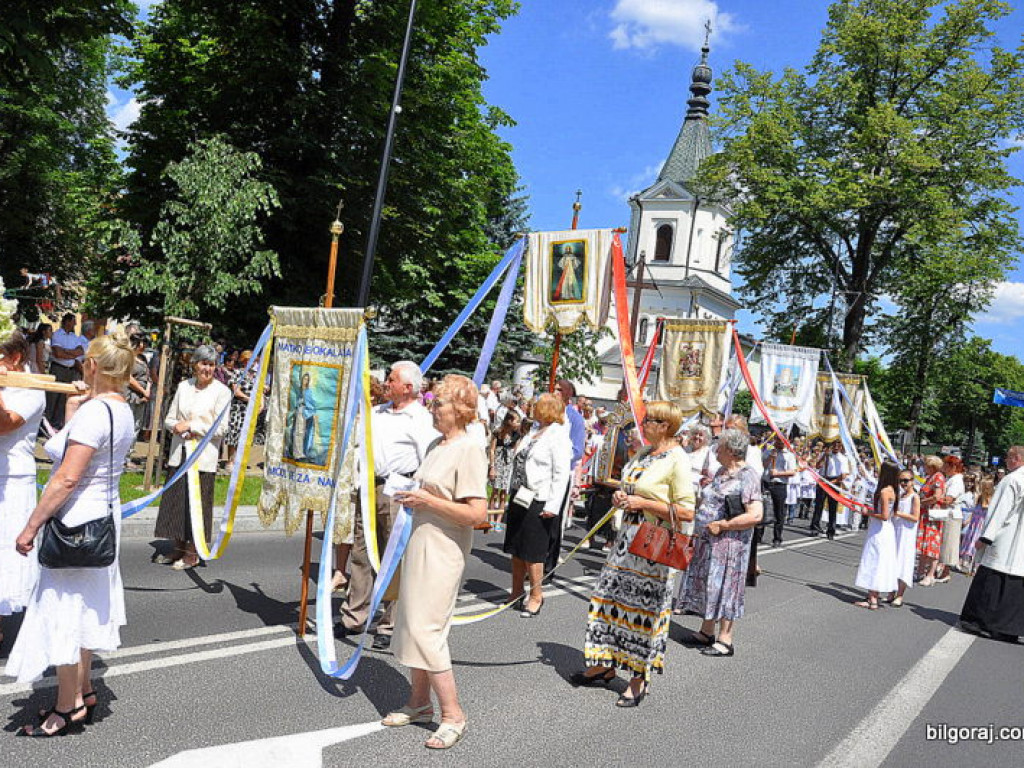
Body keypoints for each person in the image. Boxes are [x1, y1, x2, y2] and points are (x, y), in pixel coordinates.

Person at [5, 330, 135, 736]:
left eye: (84, 363)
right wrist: (75, 410)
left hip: (76, 522)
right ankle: (84, 689)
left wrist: (31, 525)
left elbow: (65, 478)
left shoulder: (97, 414)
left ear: (92, 365)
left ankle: (68, 705)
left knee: (63, 611)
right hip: (102, 520)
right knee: (83, 610)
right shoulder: (120, 409)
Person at [383, 375, 488, 750]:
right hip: (420, 539)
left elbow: (477, 512)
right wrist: (410, 494)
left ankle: (453, 715)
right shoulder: (435, 444)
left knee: (428, 630)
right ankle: (418, 703)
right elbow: (428, 490)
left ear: (459, 411)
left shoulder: (469, 448)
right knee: (411, 623)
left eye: (439, 403)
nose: (432, 408)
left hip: (444, 548)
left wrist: (428, 502)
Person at [571, 401, 694, 707]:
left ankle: (639, 678)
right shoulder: (643, 453)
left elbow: (687, 511)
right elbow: (632, 487)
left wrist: (643, 504)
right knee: (610, 603)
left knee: (644, 613)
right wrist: (621, 495)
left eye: (649, 420)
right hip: (625, 541)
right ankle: (605, 663)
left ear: (665, 425)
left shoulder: (678, 459)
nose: (643, 424)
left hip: (652, 548)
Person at [336, 361, 438, 651]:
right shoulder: (377, 413)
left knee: (393, 558)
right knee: (362, 552)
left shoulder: (419, 418)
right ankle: (354, 617)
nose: (386, 383)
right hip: (369, 487)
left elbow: (428, 459)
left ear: (408, 387)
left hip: (399, 491)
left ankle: (389, 624)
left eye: (391, 379)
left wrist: (417, 492)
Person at [681, 427, 763, 657]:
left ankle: (725, 639)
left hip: (730, 546)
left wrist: (723, 525)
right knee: (710, 584)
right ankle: (707, 631)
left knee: (728, 587)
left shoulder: (748, 476)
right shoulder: (720, 473)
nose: (715, 449)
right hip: (709, 543)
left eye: (720, 446)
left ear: (731, 450)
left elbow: (755, 515)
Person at [153, 345, 232, 570]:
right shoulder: (183, 387)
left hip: (203, 458)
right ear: (194, 365)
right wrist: (177, 426)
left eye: (211, 364)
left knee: (197, 506)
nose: (207, 368)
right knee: (176, 503)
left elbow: (221, 428)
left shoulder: (221, 391)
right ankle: (176, 548)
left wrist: (193, 426)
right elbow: (169, 418)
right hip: (180, 453)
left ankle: (192, 552)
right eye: (203, 363)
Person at [502, 393, 571, 616]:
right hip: (520, 495)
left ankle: (536, 596)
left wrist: (553, 505)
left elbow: (561, 474)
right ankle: (516, 591)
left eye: (537, 405)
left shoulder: (558, 435)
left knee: (532, 551)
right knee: (516, 547)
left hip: (539, 498)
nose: (532, 408)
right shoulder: (532, 431)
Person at [0, 331, 46, 645]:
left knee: (5, 557)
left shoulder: (33, 388)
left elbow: (5, 423)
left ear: (15, 357)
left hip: (12, 479)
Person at [959, 446, 1024, 642]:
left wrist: (985, 537)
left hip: (1005, 538)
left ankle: (979, 621)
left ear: (1017, 458)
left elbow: (1000, 511)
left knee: (991, 580)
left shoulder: (1012, 480)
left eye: (1008, 457)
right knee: (1015, 586)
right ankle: (1008, 628)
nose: (1005, 460)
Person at [853, 461, 900, 610]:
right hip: (886, 530)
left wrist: (868, 512)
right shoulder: (893, 490)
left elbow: (885, 515)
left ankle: (872, 598)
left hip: (880, 529)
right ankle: (874, 595)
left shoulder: (885, 491)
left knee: (874, 560)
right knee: (880, 561)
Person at [46, 313, 85, 429]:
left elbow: (80, 351)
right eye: (73, 321)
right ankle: (47, 423)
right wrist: (71, 353)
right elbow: (58, 353)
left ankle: (57, 424)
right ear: (67, 322)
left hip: (70, 370)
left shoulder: (75, 337)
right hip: (58, 368)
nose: (75, 324)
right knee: (53, 397)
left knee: (63, 398)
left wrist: (66, 352)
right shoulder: (57, 335)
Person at [915, 455, 947, 586]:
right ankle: (921, 571)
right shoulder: (930, 477)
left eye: (926, 466)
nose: (924, 468)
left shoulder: (938, 477)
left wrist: (921, 501)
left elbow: (936, 496)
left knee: (932, 545)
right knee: (924, 544)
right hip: (925, 514)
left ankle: (930, 574)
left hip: (932, 514)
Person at [937, 456, 968, 582]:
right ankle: (943, 570)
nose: (943, 468)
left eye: (946, 465)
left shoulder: (956, 480)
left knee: (949, 543)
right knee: (944, 542)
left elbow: (949, 499)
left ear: (953, 467)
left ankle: (946, 572)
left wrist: (935, 498)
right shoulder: (951, 479)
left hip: (952, 514)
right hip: (948, 514)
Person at [488, 410, 521, 526]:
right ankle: (491, 518)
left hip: (508, 465)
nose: (518, 423)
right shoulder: (498, 432)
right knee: (495, 492)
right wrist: (492, 467)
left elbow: (515, 451)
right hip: (498, 463)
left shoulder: (516, 435)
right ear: (509, 421)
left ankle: (498, 520)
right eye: (516, 421)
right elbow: (492, 450)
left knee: (503, 494)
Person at [811, 441, 849, 540]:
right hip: (823, 479)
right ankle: (815, 527)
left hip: (834, 481)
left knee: (833, 506)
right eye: (834, 445)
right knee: (818, 505)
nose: (836, 447)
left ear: (841, 447)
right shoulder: (825, 454)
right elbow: (818, 466)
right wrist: (824, 456)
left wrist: (832, 482)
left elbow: (843, 475)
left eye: (838, 446)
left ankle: (831, 530)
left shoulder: (843, 458)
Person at [124, 328, 151, 465]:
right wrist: (142, 390)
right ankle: (122, 456)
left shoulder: (143, 358)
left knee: (136, 427)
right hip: (130, 395)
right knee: (127, 426)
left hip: (142, 397)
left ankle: (129, 453)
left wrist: (148, 391)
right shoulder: (128, 357)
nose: (144, 346)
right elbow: (128, 377)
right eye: (143, 342)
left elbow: (148, 376)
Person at [224, 350, 256, 470]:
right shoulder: (237, 373)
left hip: (249, 410)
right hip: (238, 408)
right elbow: (236, 391)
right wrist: (249, 399)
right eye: (251, 359)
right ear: (245, 360)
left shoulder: (254, 375)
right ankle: (230, 461)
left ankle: (240, 460)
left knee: (245, 434)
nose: (253, 362)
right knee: (234, 434)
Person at [764, 436, 796, 547]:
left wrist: (777, 473)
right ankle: (759, 536)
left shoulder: (789, 455)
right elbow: (762, 466)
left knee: (779, 513)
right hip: (767, 484)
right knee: (763, 510)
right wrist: (769, 458)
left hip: (779, 485)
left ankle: (777, 537)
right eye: (777, 440)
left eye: (782, 441)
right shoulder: (768, 451)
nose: (779, 443)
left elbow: (792, 471)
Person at [960, 476, 994, 571]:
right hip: (974, 524)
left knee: (977, 543)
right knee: (970, 541)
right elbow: (974, 510)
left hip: (981, 525)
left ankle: (976, 565)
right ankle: (968, 561)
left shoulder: (991, 500)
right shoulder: (979, 498)